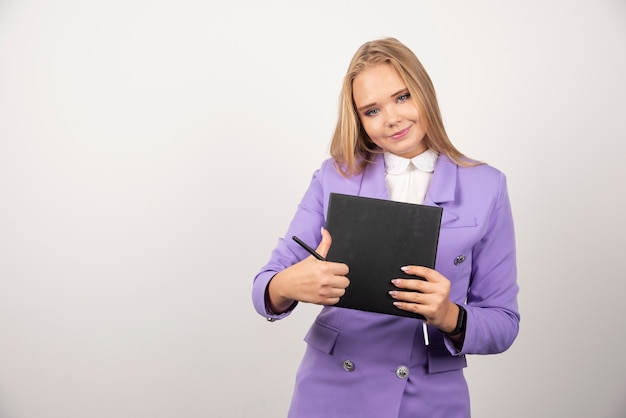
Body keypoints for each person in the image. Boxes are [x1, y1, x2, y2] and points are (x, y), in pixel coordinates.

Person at [252, 37, 519, 418]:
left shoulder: (486, 186)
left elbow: (503, 322)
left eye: (402, 97)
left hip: (429, 397)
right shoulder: (335, 176)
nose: (391, 118)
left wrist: (448, 315)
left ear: (424, 92)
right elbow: (265, 285)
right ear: (358, 119)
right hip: (331, 389)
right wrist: (289, 285)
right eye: (372, 110)